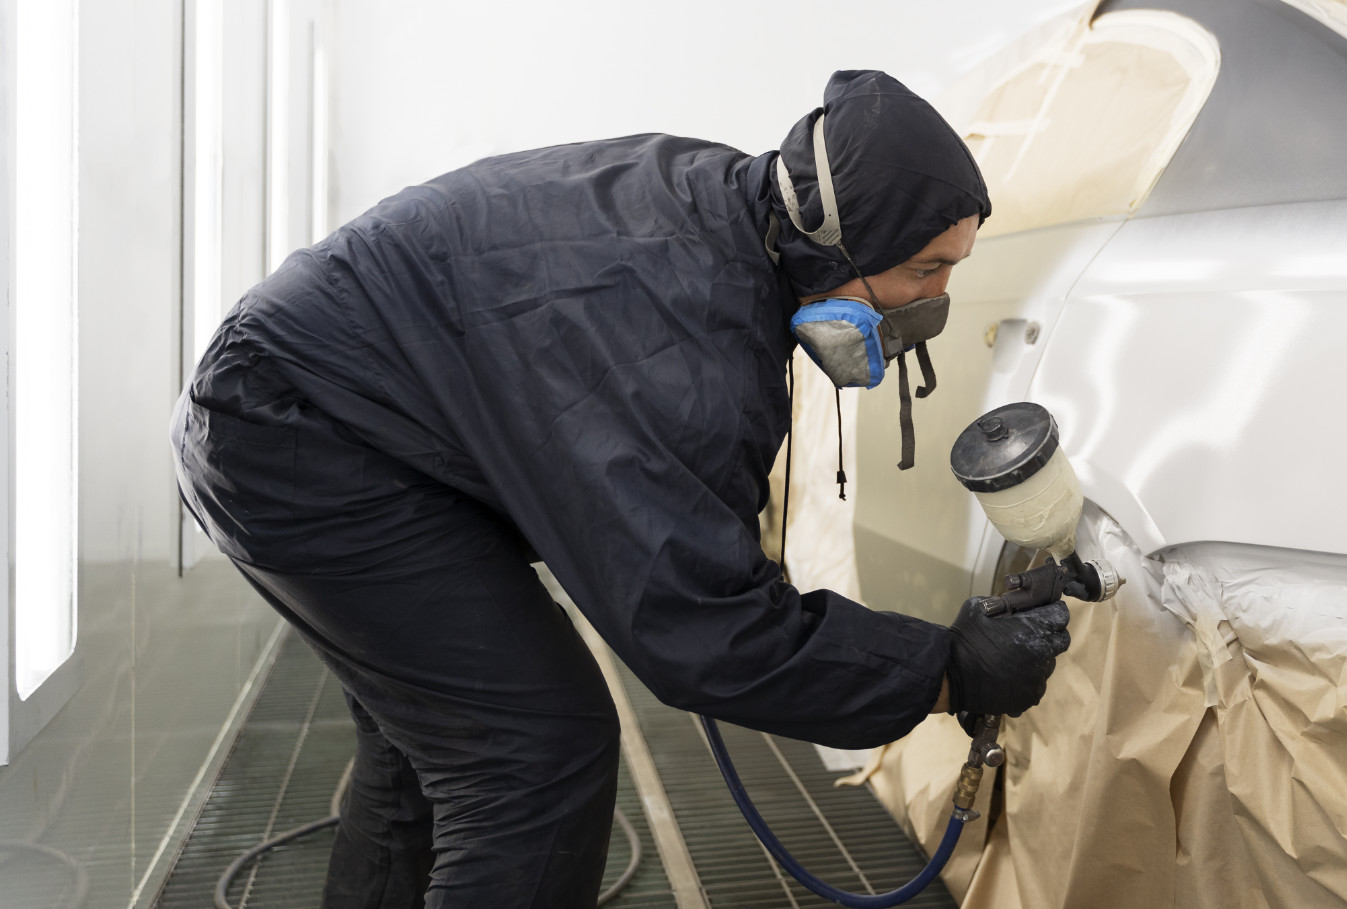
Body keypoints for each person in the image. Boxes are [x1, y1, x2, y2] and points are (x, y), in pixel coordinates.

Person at [171, 70, 1072, 908]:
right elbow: (702, 626)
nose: (935, 304)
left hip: (333, 410)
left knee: (433, 745)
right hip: (298, 434)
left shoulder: (734, 212)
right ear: (840, 238)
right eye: (923, 271)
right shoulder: (689, 337)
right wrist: (945, 668)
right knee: (535, 753)